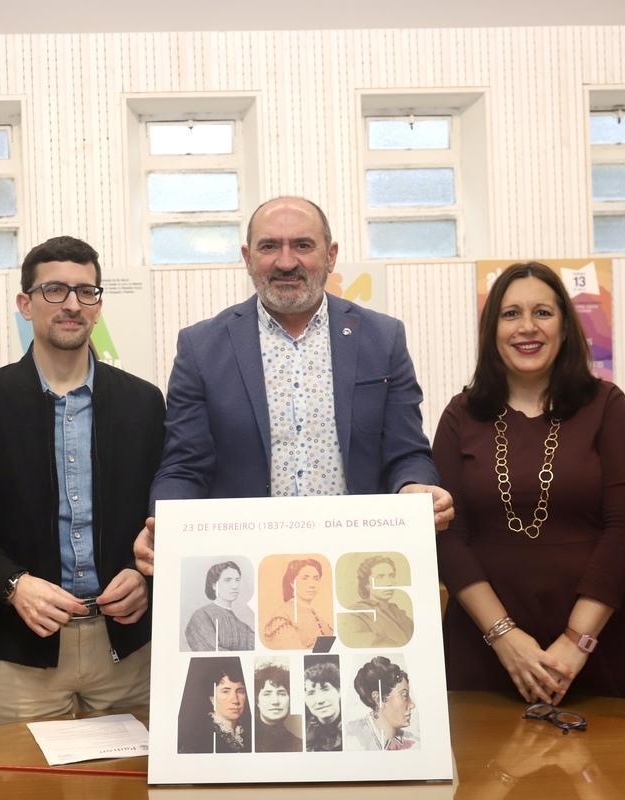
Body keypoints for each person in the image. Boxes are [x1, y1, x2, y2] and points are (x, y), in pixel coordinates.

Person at [133, 196, 452, 575]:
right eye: (270, 246)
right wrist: (166, 522)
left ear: (331, 256)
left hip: (359, 564)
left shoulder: (382, 338)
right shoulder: (200, 348)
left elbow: (407, 452)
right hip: (247, 568)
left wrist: (415, 488)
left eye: (303, 245)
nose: (286, 262)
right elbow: (185, 466)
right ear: (248, 257)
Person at [0, 236, 164, 725]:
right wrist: (14, 585)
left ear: (99, 306)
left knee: (134, 791)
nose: (71, 305)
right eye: (54, 290)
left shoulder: (144, 404)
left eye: (86, 292)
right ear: (25, 303)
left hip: (128, 648)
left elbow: (165, 511)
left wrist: (145, 573)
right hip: (25, 651)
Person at [434, 262, 625, 705]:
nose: (527, 327)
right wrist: (505, 638)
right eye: (510, 314)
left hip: (603, 647)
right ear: (491, 330)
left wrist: (575, 643)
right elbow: (448, 537)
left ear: (565, 324)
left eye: (542, 312)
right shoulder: (459, 416)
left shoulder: (606, 406)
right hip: (486, 651)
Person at [177, 657, 252, 753]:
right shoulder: (199, 737)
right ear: (212, 699)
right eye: (225, 691)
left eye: (240, 691)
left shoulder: (247, 734)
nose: (235, 700)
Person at [339, 554, 414, 648]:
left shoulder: (400, 614)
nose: (389, 583)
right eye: (380, 577)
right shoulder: (355, 614)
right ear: (367, 584)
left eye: (391, 576)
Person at [346, 656, 418, 750]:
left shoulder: (413, 742)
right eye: (404, 695)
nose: (412, 705)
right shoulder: (351, 738)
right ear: (378, 698)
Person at [262, 558, 333, 649]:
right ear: (292, 583)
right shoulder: (282, 617)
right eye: (305, 578)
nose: (312, 585)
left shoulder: (321, 620)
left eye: (316, 579)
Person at [185, 560, 255, 651]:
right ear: (214, 585)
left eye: (237, 580)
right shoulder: (201, 616)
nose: (234, 586)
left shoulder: (243, 626)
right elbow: (212, 651)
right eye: (228, 580)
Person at [253, 661, 302, 752]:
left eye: (282, 694)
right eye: (267, 694)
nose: (275, 701)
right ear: (257, 701)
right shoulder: (244, 739)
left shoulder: (298, 745)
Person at [303, 657, 343, 751]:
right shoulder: (303, 733)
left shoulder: (355, 726)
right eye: (311, 693)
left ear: (339, 691)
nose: (320, 700)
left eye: (325, 689)